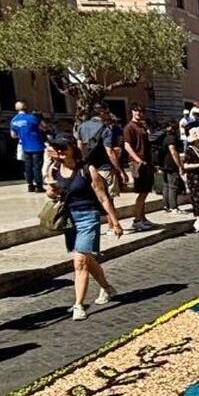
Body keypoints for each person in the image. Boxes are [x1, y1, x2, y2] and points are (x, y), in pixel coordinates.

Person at [46, 135, 122, 321]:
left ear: (73, 148)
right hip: (69, 219)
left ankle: (78, 305)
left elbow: (103, 197)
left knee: (79, 261)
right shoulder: (54, 169)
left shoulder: (87, 169)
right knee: (86, 258)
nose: (61, 151)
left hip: (88, 217)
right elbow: (49, 193)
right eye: (57, 148)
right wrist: (52, 191)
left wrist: (115, 221)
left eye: (64, 147)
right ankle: (107, 288)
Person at [76, 104, 125, 205]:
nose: (108, 115)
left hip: (89, 167)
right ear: (101, 112)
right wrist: (120, 170)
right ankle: (112, 220)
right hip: (105, 166)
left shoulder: (82, 126)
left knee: (97, 196)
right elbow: (109, 151)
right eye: (107, 113)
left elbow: (79, 147)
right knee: (109, 198)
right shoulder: (105, 128)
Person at [122, 104, 155, 231]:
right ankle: (137, 219)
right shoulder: (129, 127)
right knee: (141, 191)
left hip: (146, 161)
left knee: (146, 190)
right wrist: (138, 160)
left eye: (141, 111)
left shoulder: (142, 126)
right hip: (138, 162)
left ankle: (142, 217)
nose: (139, 113)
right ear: (132, 112)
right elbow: (127, 145)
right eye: (136, 111)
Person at [9, 101, 46, 192]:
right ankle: (39, 186)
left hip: (25, 146)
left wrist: (22, 135)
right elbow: (43, 128)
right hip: (37, 145)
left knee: (28, 166)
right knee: (37, 166)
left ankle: (30, 185)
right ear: (26, 107)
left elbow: (13, 135)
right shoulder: (32, 118)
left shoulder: (14, 120)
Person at [161, 121, 189, 215]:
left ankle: (166, 205)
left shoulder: (164, 138)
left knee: (166, 186)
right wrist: (180, 165)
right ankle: (173, 207)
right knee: (173, 186)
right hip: (172, 165)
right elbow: (173, 152)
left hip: (164, 164)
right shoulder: (172, 139)